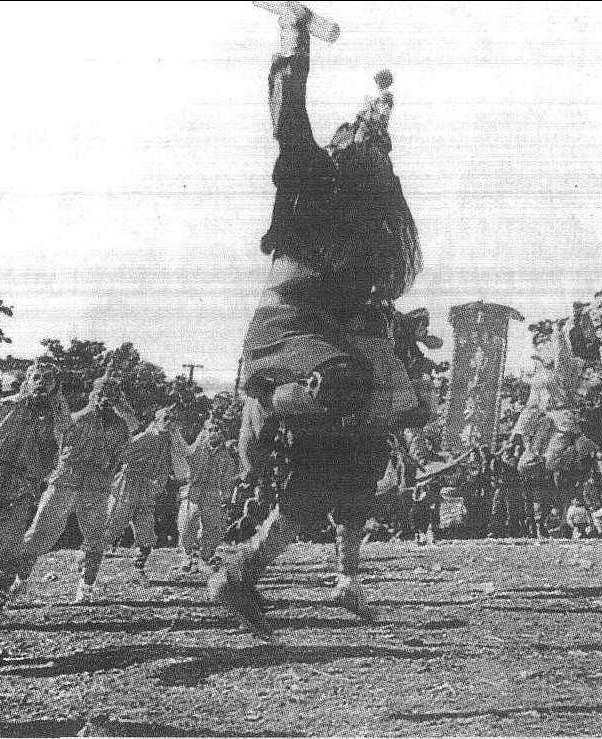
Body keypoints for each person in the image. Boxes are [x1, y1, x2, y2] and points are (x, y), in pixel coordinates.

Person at [209, 3, 422, 639]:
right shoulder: (312, 173)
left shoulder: (376, 230)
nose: (371, 152)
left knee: (347, 461)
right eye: (362, 140)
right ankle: (263, 403)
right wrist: (293, 41)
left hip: (334, 346)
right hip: (286, 333)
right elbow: (289, 115)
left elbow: (368, 305)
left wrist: (395, 342)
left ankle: (244, 570)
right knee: (345, 387)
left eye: (379, 148)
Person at [9, 376, 135, 605]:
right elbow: (52, 447)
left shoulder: (120, 426)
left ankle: (86, 588)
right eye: (102, 394)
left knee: (96, 538)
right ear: (93, 395)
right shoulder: (76, 420)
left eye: (112, 396)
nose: (106, 400)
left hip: (96, 487)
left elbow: (123, 453)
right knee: (40, 533)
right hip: (66, 480)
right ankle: (19, 581)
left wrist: (109, 477)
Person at [0, 363, 70, 625]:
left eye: (48, 380)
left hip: (23, 486)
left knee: (10, 546)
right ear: (27, 381)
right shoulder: (6, 406)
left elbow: (68, 441)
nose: (41, 383)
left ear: (55, 386)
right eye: (36, 377)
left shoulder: (58, 417)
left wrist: (59, 409)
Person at [105, 404, 190, 582]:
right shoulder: (147, 437)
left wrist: (159, 483)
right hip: (129, 487)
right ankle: (87, 564)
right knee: (112, 527)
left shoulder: (170, 442)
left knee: (147, 533)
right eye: (166, 419)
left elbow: (174, 464)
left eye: (173, 420)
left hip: (148, 490)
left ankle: (138, 570)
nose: (169, 422)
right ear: (157, 421)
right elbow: (122, 454)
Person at [178, 415, 239, 571]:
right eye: (210, 430)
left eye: (217, 430)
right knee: (187, 525)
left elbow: (228, 477)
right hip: (193, 490)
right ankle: (188, 557)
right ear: (204, 431)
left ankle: (205, 557)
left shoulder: (225, 455)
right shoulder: (196, 449)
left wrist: (227, 496)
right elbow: (183, 460)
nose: (214, 433)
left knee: (213, 527)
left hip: (212, 492)